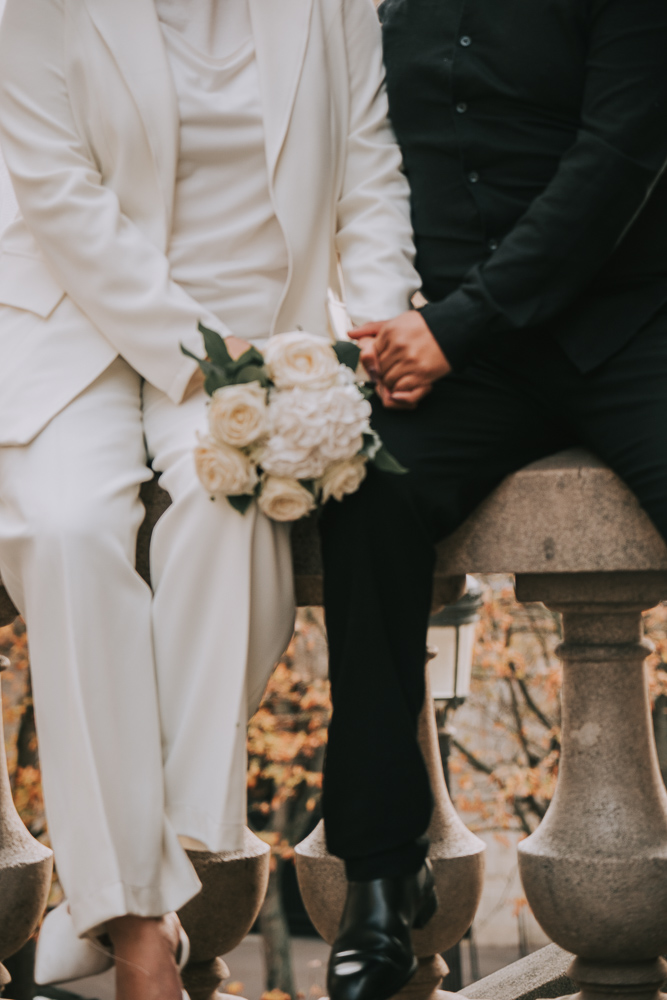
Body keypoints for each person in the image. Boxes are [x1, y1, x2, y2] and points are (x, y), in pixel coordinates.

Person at [0, 0, 419, 996]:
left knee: (224, 519)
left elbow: (368, 173)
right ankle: (143, 928)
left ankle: (118, 899)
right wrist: (204, 360)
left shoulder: (332, 8)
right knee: (65, 533)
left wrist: (383, 328)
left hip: (260, 334)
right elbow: (58, 192)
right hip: (77, 315)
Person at [319, 2, 667, 1000]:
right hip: (477, 360)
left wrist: (454, 329)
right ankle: (382, 878)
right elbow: (364, 164)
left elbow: (610, 169)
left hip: (628, 328)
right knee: (366, 497)